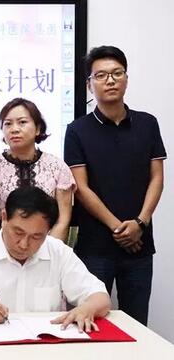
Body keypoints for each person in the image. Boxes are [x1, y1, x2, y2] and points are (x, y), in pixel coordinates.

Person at [64, 46, 166, 326]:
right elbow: (81, 188)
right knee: (88, 324)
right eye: (101, 75)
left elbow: (157, 178)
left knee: (137, 324)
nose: (110, 80)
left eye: (116, 73)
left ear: (126, 79)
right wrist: (119, 228)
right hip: (95, 246)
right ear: (89, 84)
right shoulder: (77, 130)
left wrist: (140, 223)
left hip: (139, 245)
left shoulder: (147, 124)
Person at [0, 186, 111, 333]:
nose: (24, 244)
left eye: (36, 236)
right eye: (18, 232)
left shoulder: (58, 252)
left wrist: (87, 309)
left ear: (48, 231)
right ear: (4, 218)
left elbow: (100, 297)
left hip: (45, 349)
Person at [0, 97, 75, 241]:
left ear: (38, 129)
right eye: (8, 124)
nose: (14, 129)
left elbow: (63, 221)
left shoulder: (57, 166)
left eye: (22, 122)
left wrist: (47, 250)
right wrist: (4, 248)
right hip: (4, 245)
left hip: (48, 245)